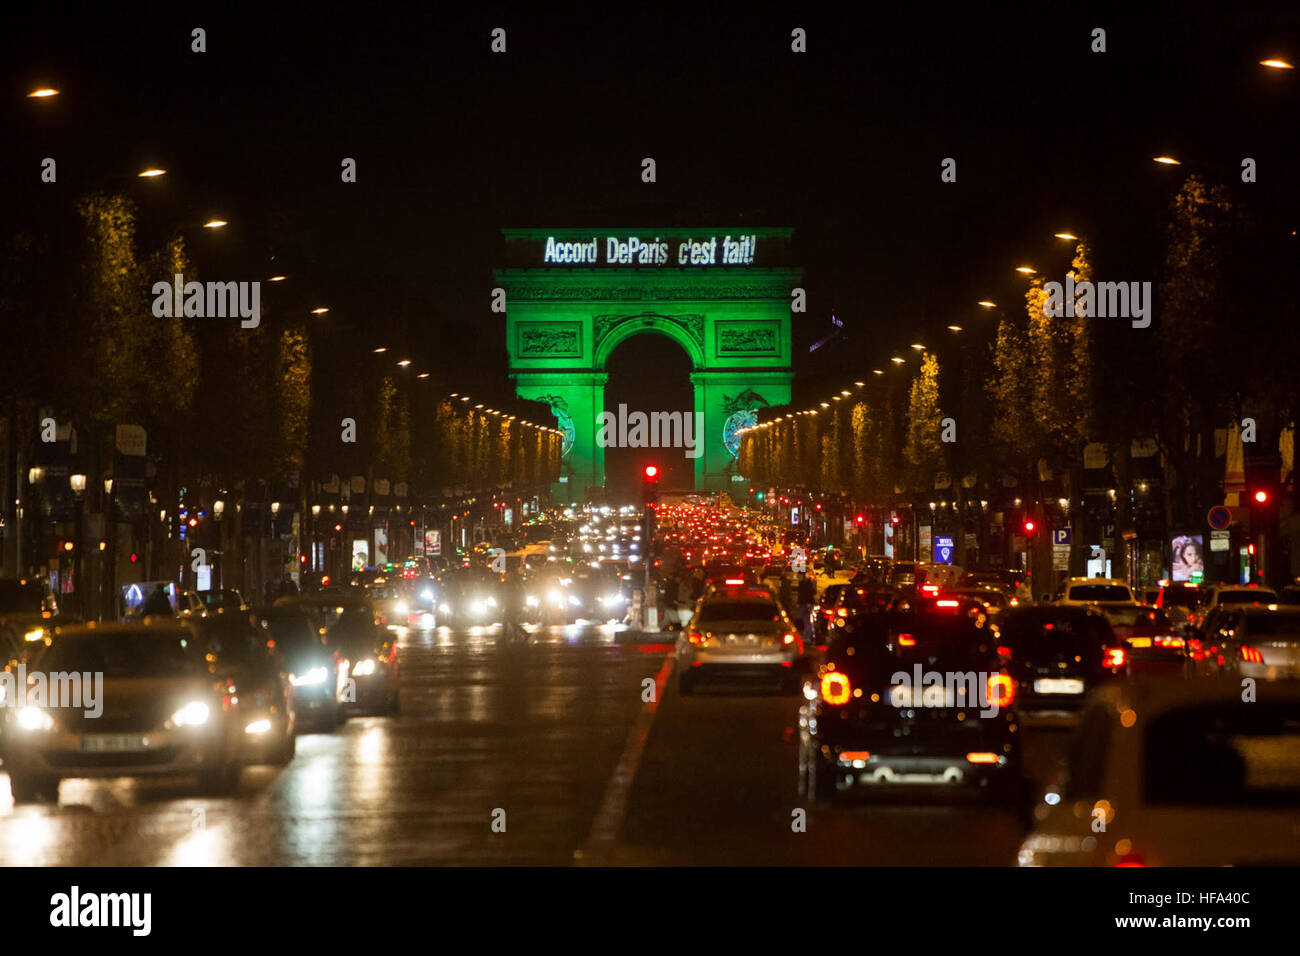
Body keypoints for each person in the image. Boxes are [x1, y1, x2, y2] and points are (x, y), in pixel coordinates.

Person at [795, 572, 815, 641]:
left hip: (805, 603)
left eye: (799, 576)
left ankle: (805, 636)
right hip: (804, 603)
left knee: (802, 619)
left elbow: (809, 593)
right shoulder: (803, 583)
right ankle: (806, 636)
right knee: (804, 619)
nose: (798, 577)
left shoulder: (805, 584)